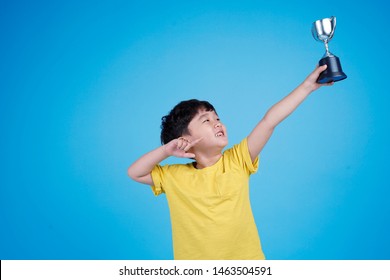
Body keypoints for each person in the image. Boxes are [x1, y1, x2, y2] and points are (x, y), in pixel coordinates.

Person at [127, 65, 334, 260]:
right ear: (185, 140)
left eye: (217, 118)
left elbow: (269, 121)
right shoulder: (173, 176)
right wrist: (166, 151)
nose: (217, 123)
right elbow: (135, 173)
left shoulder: (238, 159)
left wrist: (307, 86)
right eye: (206, 121)